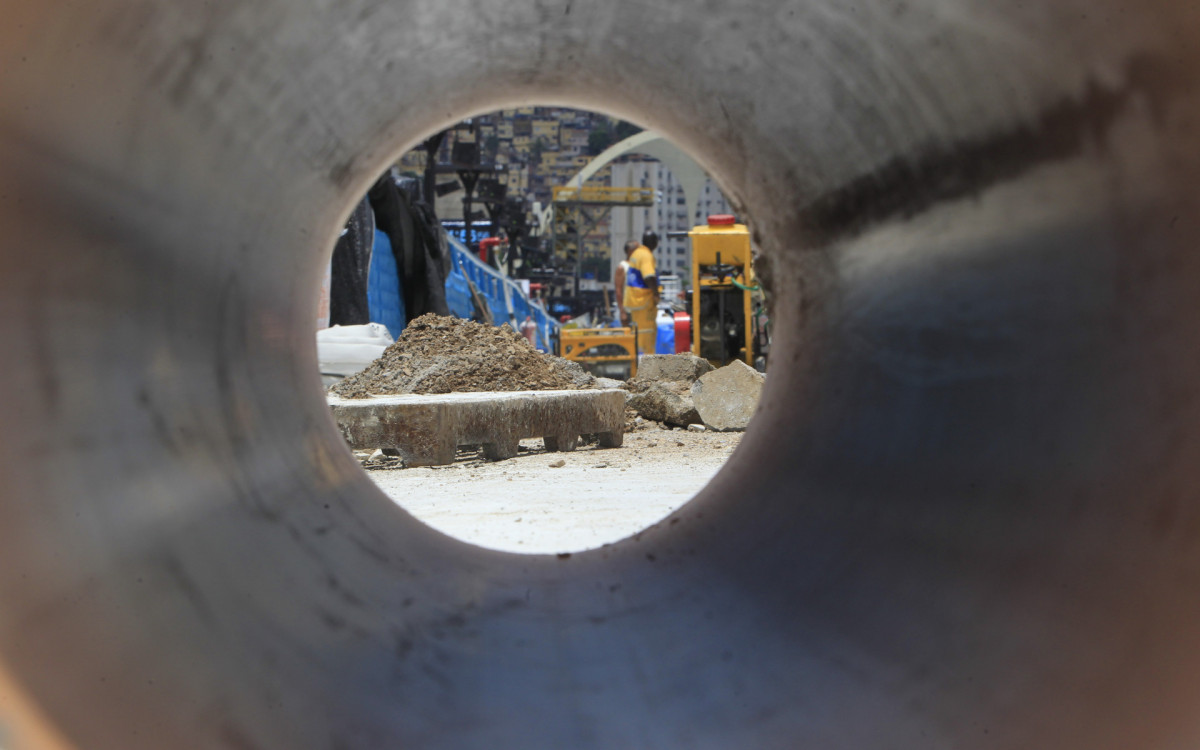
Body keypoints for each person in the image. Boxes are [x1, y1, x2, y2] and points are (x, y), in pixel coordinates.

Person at [623, 231, 660, 354]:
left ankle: (638, 365)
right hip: (643, 302)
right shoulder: (646, 255)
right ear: (654, 243)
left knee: (638, 336)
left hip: (634, 301)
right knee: (646, 338)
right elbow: (649, 276)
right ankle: (647, 367)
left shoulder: (637, 253)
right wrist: (656, 294)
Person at [614, 240, 637, 326]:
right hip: (628, 310)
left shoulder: (639, 265)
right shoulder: (622, 267)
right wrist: (622, 311)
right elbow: (618, 290)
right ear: (630, 251)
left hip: (639, 309)